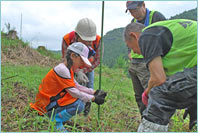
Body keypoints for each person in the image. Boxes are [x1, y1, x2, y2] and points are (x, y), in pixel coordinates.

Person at [123, 19, 197, 132]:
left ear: (134, 36)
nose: (135, 53)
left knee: (160, 94)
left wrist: (147, 93)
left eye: (132, 48)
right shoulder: (160, 35)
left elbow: (159, 79)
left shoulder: (147, 36)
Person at [30, 42, 107, 131]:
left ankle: (57, 117)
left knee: (77, 101)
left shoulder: (67, 69)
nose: (82, 65)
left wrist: (94, 92)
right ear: (73, 56)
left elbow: (76, 86)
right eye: (81, 61)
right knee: (79, 104)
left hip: (50, 101)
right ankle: (55, 121)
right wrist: (93, 98)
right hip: (44, 105)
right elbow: (74, 92)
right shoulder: (62, 70)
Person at [125, 1, 166, 117]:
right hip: (134, 63)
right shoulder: (133, 22)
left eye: (135, 10)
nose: (134, 14)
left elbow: (166, 36)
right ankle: (144, 119)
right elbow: (128, 39)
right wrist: (129, 52)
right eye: (131, 11)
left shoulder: (156, 17)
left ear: (143, 5)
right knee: (138, 95)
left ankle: (157, 119)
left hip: (148, 62)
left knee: (151, 93)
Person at [61, 18, 101, 116]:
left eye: (90, 41)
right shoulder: (67, 39)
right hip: (72, 66)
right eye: (86, 41)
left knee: (89, 85)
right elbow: (66, 60)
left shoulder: (98, 40)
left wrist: (84, 70)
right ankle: (71, 109)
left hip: (89, 66)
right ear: (77, 36)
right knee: (72, 87)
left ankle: (85, 112)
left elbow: (97, 60)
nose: (89, 44)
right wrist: (77, 71)